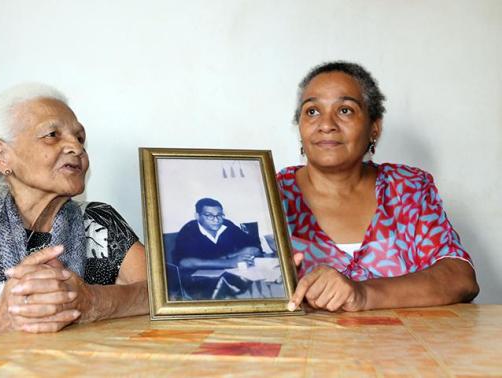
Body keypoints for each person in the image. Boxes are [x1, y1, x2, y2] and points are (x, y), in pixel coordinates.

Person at [0, 83, 148, 370]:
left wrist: (91, 302)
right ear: (3, 157)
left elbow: (166, 295)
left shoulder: (99, 222)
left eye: (80, 138)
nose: (76, 147)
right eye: (52, 135)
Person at [278, 61, 479, 313]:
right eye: (312, 111)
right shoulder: (272, 195)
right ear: (300, 127)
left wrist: (362, 293)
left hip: (403, 350)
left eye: (345, 110)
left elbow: (461, 278)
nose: (326, 124)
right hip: (305, 351)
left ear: (374, 127)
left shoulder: (406, 189)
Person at [171, 198, 261, 299]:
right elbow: (185, 262)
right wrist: (229, 262)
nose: (216, 220)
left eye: (219, 215)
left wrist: (230, 256)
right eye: (209, 215)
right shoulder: (189, 230)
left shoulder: (227, 225)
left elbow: (253, 247)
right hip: (199, 283)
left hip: (230, 276)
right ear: (197, 216)